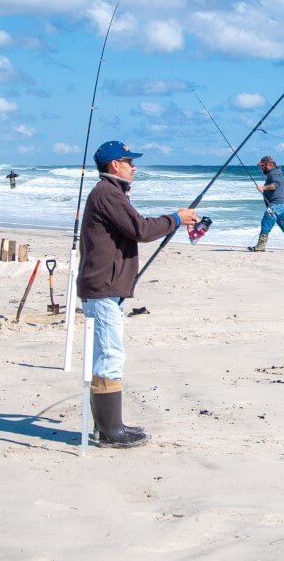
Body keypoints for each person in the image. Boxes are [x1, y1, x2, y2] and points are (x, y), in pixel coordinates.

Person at [76, 140, 199, 449]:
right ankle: (109, 432)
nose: (134, 166)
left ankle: (108, 426)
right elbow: (140, 229)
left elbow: (133, 229)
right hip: (103, 288)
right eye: (129, 161)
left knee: (106, 354)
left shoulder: (110, 193)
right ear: (114, 165)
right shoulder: (107, 193)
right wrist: (175, 218)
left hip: (105, 287)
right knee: (110, 356)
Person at [248, 155, 284, 252]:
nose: (261, 168)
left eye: (262, 166)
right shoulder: (275, 172)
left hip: (276, 204)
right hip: (282, 204)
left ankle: (260, 247)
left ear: (268, 164)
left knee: (266, 222)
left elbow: (275, 185)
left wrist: (263, 188)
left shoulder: (274, 173)